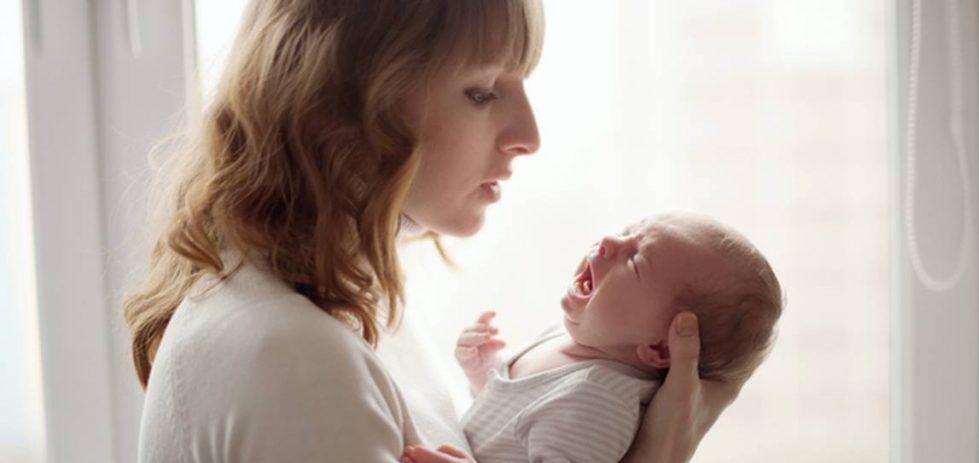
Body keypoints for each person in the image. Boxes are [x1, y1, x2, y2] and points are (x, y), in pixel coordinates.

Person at [123, 1, 746, 462]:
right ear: (341, 103)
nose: (528, 135)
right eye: (480, 92)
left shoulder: (355, 308)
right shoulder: (292, 358)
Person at [402, 213, 783, 463]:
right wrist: (486, 371)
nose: (607, 242)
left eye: (635, 261)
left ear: (659, 347)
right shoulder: (567, 343)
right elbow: (519, 419)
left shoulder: (597, 398)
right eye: (626, 231)